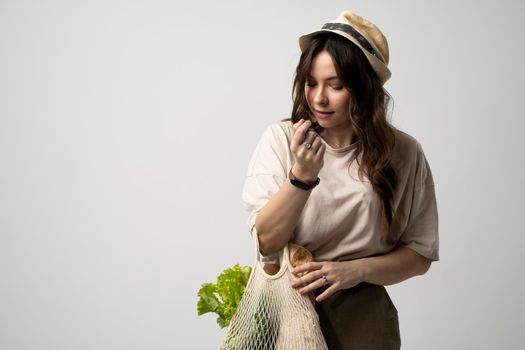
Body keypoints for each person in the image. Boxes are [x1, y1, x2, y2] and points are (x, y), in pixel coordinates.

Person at [241, 10, 439, 350]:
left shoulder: (404, 152)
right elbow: (267, 242)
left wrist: (354, 271)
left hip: (362, 319)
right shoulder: (281, 140)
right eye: (311, 83)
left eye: (336, 85)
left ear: (364, 88)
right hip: (283, 307)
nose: (318, 98)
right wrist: (301, 178)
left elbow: (420, 254)